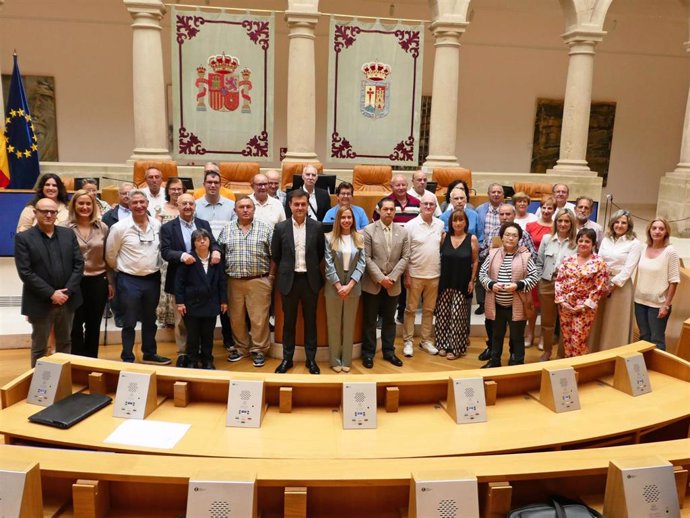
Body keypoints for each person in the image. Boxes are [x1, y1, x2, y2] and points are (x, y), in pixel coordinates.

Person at [14, 198, 84, 366]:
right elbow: (26, 272)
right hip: (40, 301)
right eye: (44, 211)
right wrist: (52, 294)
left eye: (53, 211)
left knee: (65, 343)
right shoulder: (24, 238)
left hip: (67, 300)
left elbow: (79, 263)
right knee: (39, 347)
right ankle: (38, 386)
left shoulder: (68, 234)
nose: (49, 214)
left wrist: (66, 293)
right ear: (35, 213)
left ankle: (62, 382)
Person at [105, 190, 171, 365]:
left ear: (147, 203)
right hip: (129, 280)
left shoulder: (157, 225)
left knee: (150, 319)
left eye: (142, 202)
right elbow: (110, 254)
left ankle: (149, 353)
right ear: (129, 204)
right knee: (129, 320)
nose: (139, 206)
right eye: (135, 203)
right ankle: (127, 356)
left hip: (152, 279)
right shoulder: (119, 228)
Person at [160, 193, 219, 367]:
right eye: (184, 203)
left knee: (202, 322)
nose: (187, 206)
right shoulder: (168, 227)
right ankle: (184, 353)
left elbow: (213, 243)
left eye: (191, 204)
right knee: (182, 322)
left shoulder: (203, 224)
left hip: (203, 280)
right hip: (181, 280)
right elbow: (165, 252)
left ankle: (202, 353)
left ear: (195, 206)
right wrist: (181, 255)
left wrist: (216, 250)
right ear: (177, 205)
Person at [271, 189, 325, 374]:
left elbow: (320, 254)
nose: (300, 207)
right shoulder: (280, 228)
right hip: (289, 281)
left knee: (311, 322)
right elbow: (276, 255)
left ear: (307, 204)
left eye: (303, 204)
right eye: (296, 204)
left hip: (310, 281)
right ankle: (287, 359)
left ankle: (311, 360)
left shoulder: (317, 227)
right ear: (290, 205)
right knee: (289, 323)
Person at [476, 203, 537, 362]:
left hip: (517, 305)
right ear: (502, 237)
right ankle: (494, 362)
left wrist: (518, 285)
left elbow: (534, 276)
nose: (510, 238)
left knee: (517, 337)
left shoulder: (525, 256)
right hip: (496, 305)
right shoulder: (493, 253)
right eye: (507, 235)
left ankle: (516, 362)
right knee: (496, 336)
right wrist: (490, 285)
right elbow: (482, 273)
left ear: (519, 238)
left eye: (514, 235)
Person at [218, 196, 275, 368]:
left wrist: (271, 277)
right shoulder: (226, 230)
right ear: (235, 210)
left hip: (258, 280)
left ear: (254, 209)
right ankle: (242, 348)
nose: (245, 210)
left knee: (259, 318)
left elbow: (274, 256)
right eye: (241, 207)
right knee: (236, 318)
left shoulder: (265, 229)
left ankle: (258, 350)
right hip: (233, 281)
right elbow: (220, 254)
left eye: (248, 207)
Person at [60, 190, 112, 358]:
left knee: (93, 324)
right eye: (80, 203)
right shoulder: (63, 227)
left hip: (97, 281)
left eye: (88, 203)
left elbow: (108, 256)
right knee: (75, 325)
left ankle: (91, 363)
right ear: (74, 205)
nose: (84, 207)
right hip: (73, 282)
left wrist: (110, 282)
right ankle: (77, 362)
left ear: (94, 206)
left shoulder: (103, 227)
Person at [361, 198, 409, 369]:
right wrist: (381, 278)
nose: (389, 212)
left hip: (393, 284)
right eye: (386, 209)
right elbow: (366, 258)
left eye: (392, 209)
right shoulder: (368, 230)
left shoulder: (403, 232)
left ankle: (389, 351)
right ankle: (368, 353)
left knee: (390, 320)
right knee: (370, 321)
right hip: (373, 283)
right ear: (379, 211)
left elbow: (405, 257)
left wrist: (393, 278)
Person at [194, 166, 236, 352]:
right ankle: (202, 342)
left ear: (221, 185)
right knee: (204, 296)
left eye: (216, 183)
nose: (212, 185)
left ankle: (228, 338)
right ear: (203, 185)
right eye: (209, 182)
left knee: (223, 297)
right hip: (202, 258)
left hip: (225, 258)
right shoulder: (195, 204)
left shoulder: (230, 204)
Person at [589, 210, 643, 351]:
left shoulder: (635, 243)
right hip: (602, 283)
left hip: (620, 286)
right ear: (612, 223)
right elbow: (599, 261)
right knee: (599, 319)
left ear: (629, 225)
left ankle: (612, 351)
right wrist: (600, 282)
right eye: (617, 222)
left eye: (623, 223)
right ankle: (596, 349)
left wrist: (612, 285)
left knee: (615, 321)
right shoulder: (606, 239)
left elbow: (628, 269)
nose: (619, 225)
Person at [175, 229, 228, 370]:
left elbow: (222, 281)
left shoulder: (216, 260)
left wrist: (223, 301)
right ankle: (192, 360)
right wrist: (180, 302)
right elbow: (179, 283)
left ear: (210, 241)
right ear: (194, 243)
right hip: (191, 305)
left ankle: (207, 360)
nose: (202, 241)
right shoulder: (188, 259)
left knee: (207, 335)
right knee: (192, 335)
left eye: (205, 238)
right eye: (198, 240)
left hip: (210, 304)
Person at [554, 228, 610, 357]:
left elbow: (599, 287)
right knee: (567, 339)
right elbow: (559, 281)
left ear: (593, 244)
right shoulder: (568, 260)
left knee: (578, 340)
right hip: (565, 305)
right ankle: (568, 368)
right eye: (581, 240)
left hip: (585, 307)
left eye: (587, 241)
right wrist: (562, 302)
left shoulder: (599, 263)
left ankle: (580, 369)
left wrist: (584, 305)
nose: (583, 244)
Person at [373, 174, 421, 322]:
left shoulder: (417, 203)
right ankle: (382, 315)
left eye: (403, 185)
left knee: (404, 282)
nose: (400, 188)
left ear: (407, 185)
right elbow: (375, 226)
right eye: (397, 185)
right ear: (391, 186)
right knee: (386, 281)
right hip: (387, 248)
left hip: (408, 249)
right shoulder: (383, 204)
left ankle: (401, 313)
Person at [324, 206, 366, 373]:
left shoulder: (359, 238)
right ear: (338, 220)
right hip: (333, 286)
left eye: (349, 217)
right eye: (343, 218)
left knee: (349, 325)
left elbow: (362, 263)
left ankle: (346, 359)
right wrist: (338, 285)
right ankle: (335, 360)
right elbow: (328, 265)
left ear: (353, 220)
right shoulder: (329, 238)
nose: (346, 221)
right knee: (333, 325)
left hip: (353, 286)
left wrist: (349, 285)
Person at [403, 193, 444, 357]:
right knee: (410, 310)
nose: (428, 207)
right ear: (420, 206)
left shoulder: (440, 225)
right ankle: (408, 341)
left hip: (434, 275)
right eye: (425, 204)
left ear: (435, 207)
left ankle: (425, 340)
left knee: (429, 310)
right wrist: (406, 274)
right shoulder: (410, 225)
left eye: (431, 204)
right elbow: (405, 252)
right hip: (414, 274)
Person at [435, 209, 479, 360]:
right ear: (451, 222)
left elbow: (475, 261)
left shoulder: (471, 239)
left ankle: (456, 347)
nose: (458, 223)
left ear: (466, 222)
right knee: (442, 314)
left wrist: (472, 280)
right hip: (445, 281)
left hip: (462, 282)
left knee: (458, 316)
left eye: (461, 220)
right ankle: (441, 344)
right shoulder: (444, 237)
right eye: (455, 220)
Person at [535, 208, 577, 361]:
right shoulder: (547, 239)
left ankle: (561, 353)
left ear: (571, 223)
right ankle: (547, 351)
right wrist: (541, 281)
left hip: (567, 287)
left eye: (566, 221)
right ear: (556, 222)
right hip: (547, 283)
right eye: (560, 221)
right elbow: (539, 263)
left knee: (565, 322)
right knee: (547, 321)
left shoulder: (577, 242)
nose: (563, 224)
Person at [634, 218, 680, 351]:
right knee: (643, 338)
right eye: (654, 228)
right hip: (640, 301)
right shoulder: (643, 248)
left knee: (657, 340)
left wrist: (666, 305)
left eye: (661, 228)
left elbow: (674, 280)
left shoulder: (670, 252)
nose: (657, 231)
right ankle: (644, 369)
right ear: (649, 230)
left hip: (658, 304)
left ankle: (657, 370)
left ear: (666, 232)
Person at [524, 195, 557, 348]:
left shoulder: (556, 228)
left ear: (554, 210)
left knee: (546, 307)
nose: (546, 210)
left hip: (548, 269)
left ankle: (544, 337)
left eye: (550, 208)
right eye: (544, 207)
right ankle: (529, 334)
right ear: (540, 208)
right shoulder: (530, 226)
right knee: (531, 304)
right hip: (532, 268)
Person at [101, 182, 133, 328]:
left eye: (130, 193)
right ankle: (119, 315)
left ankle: (135, 314)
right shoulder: (109, 216)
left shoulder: (143, 212)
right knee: (116, 286)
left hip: (134, 256)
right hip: (115, 257)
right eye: (124, 193)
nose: (127, 196)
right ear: (118, 195)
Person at [156, 177, 186, 330]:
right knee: (166, 285)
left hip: (185, 255)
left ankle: (181, 318)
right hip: (167, 255)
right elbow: (155, 231)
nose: (176, 192)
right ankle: (167, 318)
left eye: (179, 189)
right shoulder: (161, 209)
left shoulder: (187, 207)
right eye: (173, 189)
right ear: (168, 191)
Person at [474, 183, 505, 315]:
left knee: (500, 277)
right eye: (493, 192)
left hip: (504, 250)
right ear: (488, 194)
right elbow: (476, 228)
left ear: (503, 195)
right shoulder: (480, 209)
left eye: (499, 192)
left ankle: (500, 303)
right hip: (485, 249)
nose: (496, 194)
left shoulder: (507, 209)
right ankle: (481, 303)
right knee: (481, 277)